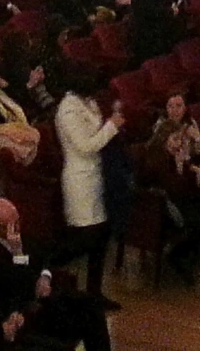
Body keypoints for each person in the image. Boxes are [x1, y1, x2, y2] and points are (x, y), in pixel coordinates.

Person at [54, 66, 124, 302]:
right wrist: (112, 125)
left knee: (101, 236)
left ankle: (94, 292)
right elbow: (85, 147)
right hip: (80, 179)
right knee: (85, 238)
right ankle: (47, 265)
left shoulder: (88, 103)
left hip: (96, 176)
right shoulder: (67, 111)